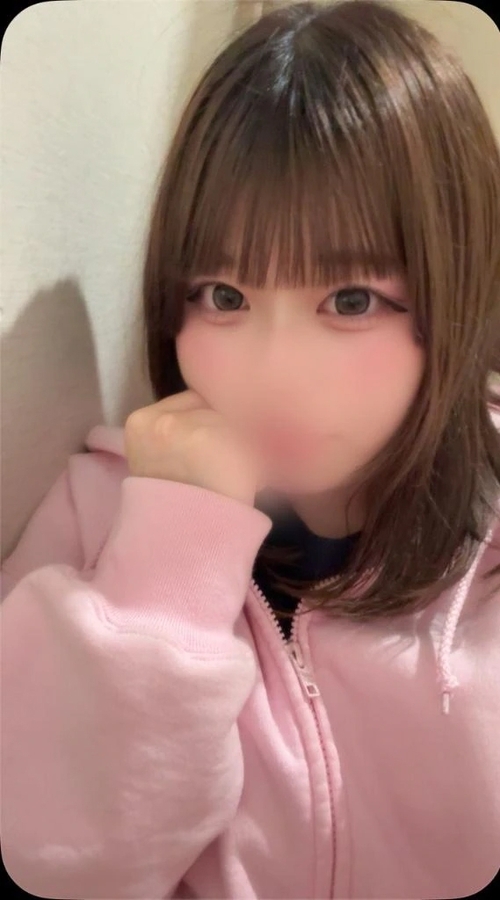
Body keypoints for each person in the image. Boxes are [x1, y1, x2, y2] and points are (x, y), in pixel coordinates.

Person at [1, 1, 500, 898]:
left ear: (455, 292)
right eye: (225, 296)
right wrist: (167, 570)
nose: (273, 375)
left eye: (351, 301)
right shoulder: (97, 514)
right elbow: (57, 864)